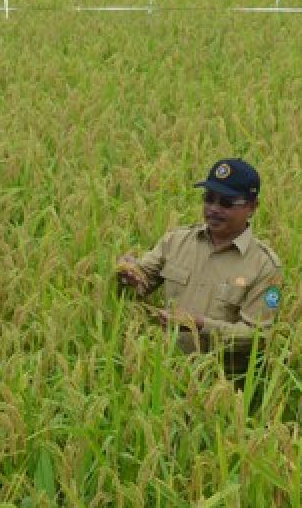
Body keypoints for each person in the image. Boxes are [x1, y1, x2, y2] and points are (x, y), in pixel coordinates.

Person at [116, 158, 282, 380]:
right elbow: (141, 282)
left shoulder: (264, 266)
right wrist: (129, 274)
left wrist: (200, 325)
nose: (213, 209)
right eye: (209, 199)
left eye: (226, 203)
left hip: (221, 384)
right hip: (162, 373)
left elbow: (259, 335)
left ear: (252, 207)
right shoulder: (175, 241)